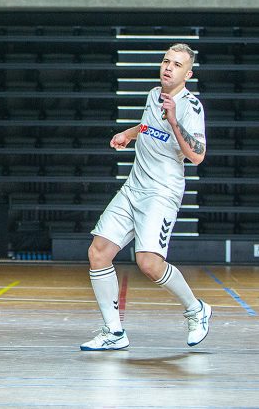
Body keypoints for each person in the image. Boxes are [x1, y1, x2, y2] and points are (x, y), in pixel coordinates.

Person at [82, 43, 210, 351]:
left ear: (187, 73)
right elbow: (148, 127)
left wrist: (174, 120)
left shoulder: (191, 107)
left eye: (177, 64)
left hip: (161, 193)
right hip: (133, 187)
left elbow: (197, 156)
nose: (168, 67)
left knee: (149, 263)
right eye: (166, 61)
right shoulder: (154, 94)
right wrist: (128, 134)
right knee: (98, 253)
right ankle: (114, 332)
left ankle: (197, 310)